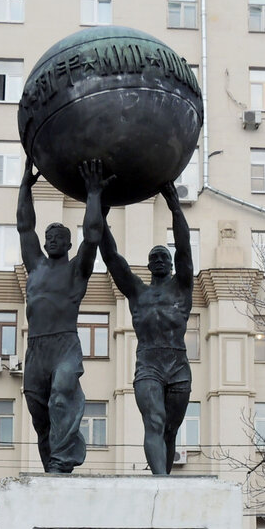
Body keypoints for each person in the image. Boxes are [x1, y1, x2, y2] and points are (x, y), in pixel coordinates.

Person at [16, 158, 109, 473]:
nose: (52, 239)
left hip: (65, 346)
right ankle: (53, 469)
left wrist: (93, 193)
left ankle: (61, 459)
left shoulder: (76, 271)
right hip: (36, 350)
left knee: (60, 401)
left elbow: (94, 234)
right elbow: (24, 225)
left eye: (59, 236)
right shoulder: (36, 267)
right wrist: (25, 187)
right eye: (49, 236)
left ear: (70, 244)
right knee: (40, 417)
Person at [98, 180, 193, 474]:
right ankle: (161, 480)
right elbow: (112, 258)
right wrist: (100, 214)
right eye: (154, 257)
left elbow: (185, 247)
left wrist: (175, 206)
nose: (160, 259)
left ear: (172, 263)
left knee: (169, 431)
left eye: (164, 256)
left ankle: (162, 481)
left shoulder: (182, 287)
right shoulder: (137, 292)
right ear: (149, 266)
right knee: (154, 421)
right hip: (149, 363)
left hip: (178, 364)